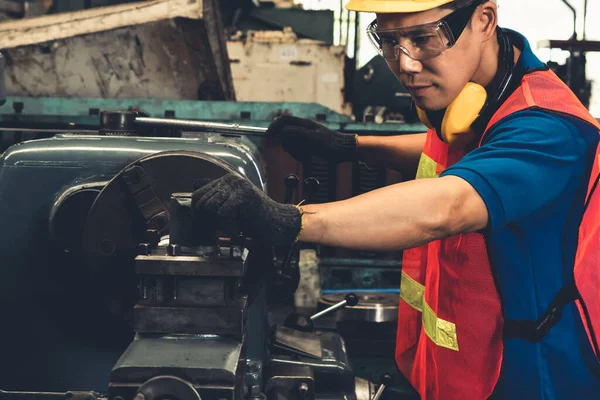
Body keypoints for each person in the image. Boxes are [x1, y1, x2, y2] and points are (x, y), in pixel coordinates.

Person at [192, 0, 600, 398]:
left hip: (528, 375)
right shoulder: (489, 91)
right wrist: (351, 145)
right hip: (464, 365)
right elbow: (453, 147)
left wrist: (288, 220)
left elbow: (448, 206)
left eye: (424, 38)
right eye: (389, 42)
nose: (405, 64)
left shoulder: (550, 130)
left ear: (485, 19)